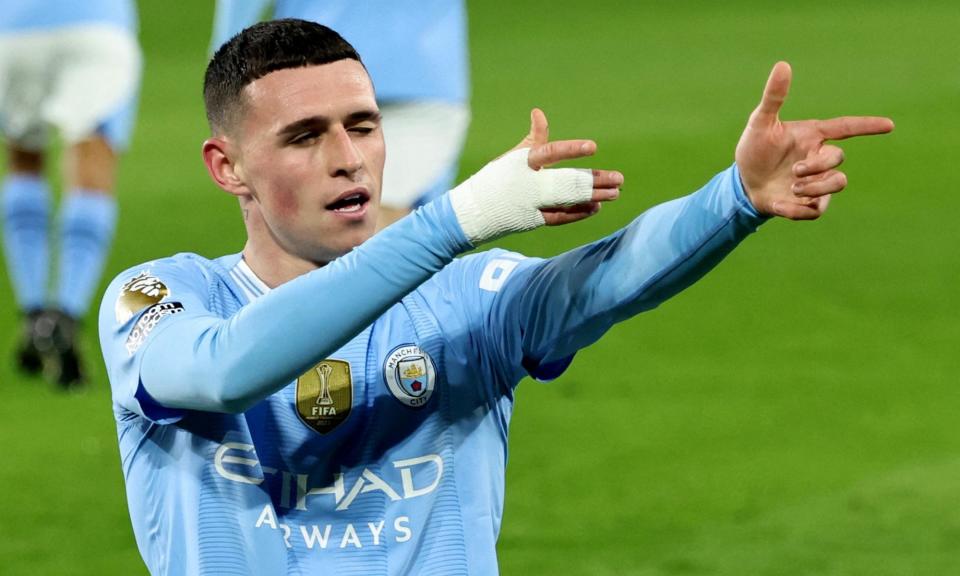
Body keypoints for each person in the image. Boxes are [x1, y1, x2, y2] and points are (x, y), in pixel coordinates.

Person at [99, 19, 893, 575]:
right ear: (226, 166)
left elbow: (604, 279)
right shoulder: (163, 295)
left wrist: (735, 199)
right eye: (305, 136)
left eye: (364, 125)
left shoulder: (461, 301)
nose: (350, 159)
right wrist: (455, 219)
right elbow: (225, 372)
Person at [210, 0, 470, 229]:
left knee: (336, 227)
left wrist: (229, 71)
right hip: (423, 72)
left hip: (306, 72)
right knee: (404, 229)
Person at [0, 0, 141, 388]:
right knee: (91, 165)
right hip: (96, 27)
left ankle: (33, 313)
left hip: (13, 29)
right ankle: (65, 314)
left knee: (24, 161)